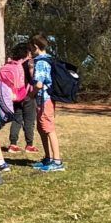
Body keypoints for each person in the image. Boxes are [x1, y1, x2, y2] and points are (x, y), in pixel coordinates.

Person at [29, 34, 64, 173]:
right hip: (41, 99)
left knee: (49, 128)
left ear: (36, 47)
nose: (30, 51)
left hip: (45, 99)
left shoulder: (42, 62)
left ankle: (57, 160)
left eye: (31, 48)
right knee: (42, 127)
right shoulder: (45, 60)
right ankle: (48, 157)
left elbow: (38, 84)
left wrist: (29, 95)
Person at [1, 43, 35, 154]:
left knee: (16, 120)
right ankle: (29, 145)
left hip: (14, 96)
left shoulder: (11, 63)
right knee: (29, 120)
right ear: (27, 52)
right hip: (27, 95)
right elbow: (32, 79)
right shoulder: (27, 64)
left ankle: (13, 144)